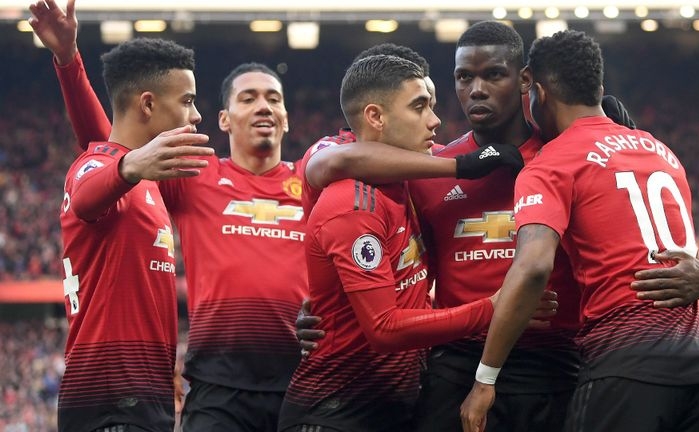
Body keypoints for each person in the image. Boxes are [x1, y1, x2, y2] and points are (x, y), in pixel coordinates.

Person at [297, 21, 699, 432]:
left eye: (494, 74)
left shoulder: (571, 157)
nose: (476, 89)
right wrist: (322, 303)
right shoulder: (425, 167)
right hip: (458, 367)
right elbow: (330, 170)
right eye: (464, 77)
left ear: (525, 80)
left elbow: (642, 238)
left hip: (556, 366)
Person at [31, 1, 307, 430]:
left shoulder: (312, 178)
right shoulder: (190, 173)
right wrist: (70, 65)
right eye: (248, 98)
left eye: (274, 98)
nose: (264, 107)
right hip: (214, 389)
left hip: (296, 379)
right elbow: (106, 150)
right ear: (224, 119)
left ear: (288, 117)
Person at [459, 29, 699, 432]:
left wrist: (485, 378)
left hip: (627, 358)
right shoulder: (660, 151)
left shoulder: (553, 161)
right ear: (598, 89)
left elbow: (533, 267)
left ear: (539, 91)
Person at [277, 54, 521, 432]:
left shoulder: (408, 179)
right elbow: (385, 327)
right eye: (419, 106)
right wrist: (494, 308)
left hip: (394, 404)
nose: (435, 120)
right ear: (376, 117)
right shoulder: (351, 201)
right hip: (337, 411)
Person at [54, 33, 214, 432]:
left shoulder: (146, 180)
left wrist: (68, 59)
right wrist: (129, 167)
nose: (196, 115)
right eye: (187, 101)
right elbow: (86, 196)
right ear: (148, 104)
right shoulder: (97, 167)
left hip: (143, 395)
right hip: (109, 399)